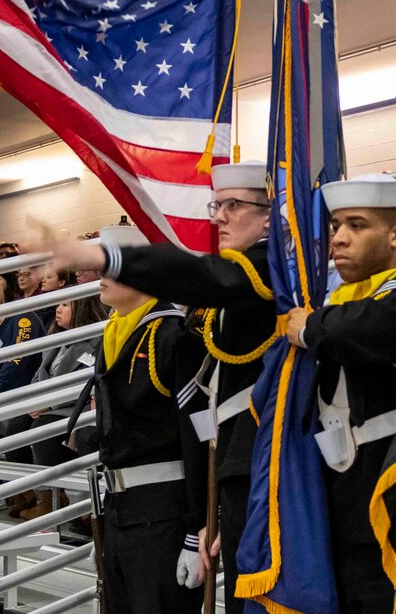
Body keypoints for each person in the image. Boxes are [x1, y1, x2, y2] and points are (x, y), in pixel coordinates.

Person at [46, 163, 274, 614]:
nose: (220, 217)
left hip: (178, 505)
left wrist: (196, 525)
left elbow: (191, 433)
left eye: (234, 205)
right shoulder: (120, 335)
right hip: (129, 506)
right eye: (218, 205)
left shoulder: (173, 331)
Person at [284, 174, 396, 613]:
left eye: (356, 226)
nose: (338, 239)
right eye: (336, 225)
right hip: (334, 508)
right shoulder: (331, 302)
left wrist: (307, 327)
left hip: (394, 504)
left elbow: (364, 328)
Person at [64, 227, 208, 613]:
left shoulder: (175, 338)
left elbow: (196, 440)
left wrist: (197, 531)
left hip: (164, 515)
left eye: (114, 264)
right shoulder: (112, 336)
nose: (102, 275)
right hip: (117, 510)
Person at [14, 295, 107, 522]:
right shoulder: (56, 337)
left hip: (77, 407)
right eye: (59, 304)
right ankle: (29, 494)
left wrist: (49, 405)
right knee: (15, 425)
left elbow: (84, 385)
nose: (58, 309)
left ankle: (52, 497)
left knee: (43, 428)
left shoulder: (97, 340)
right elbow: (39, 375)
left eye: (65, 305)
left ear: (82, 308)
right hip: (50, 405)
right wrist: (34, 402)